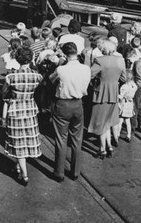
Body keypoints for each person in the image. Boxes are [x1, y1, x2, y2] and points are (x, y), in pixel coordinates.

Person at [49, 43, 91, 182]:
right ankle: (75, 171)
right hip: (78, 104)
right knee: (77, 139)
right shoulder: (86, 69)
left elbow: (50, 79)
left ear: (65, 55)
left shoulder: (61, 69)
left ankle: (59, 172)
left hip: (62, 104)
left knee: (61, 139)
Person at [2, 47, 43, 186]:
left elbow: (4, 94)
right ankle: (19, 166)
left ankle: (24, 175)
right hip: (30, 110)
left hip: (15, 111)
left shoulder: (10, 77)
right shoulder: (37, 76)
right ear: (30, 58)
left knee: (17, 142)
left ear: (17, 59)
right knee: (26, 140)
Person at [88, 39, 126, 158]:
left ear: (102, 49)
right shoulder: (120, 60)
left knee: (101, 122)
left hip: (101, 94)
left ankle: (102, 149)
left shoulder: (99, 61)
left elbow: (90, 74)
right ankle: (108, 145)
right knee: (108, 121)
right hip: (113, 93)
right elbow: (124, 78)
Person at [126, 49, 141, 134]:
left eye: (130, 59)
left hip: (139, 88)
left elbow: (140, 79)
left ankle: (132, 126)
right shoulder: (140, 62)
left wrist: (134, 87)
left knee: (134, 107)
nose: (129, 61)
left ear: (134, 56)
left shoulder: (137, 64)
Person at [118, 70, 137, 142]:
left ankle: (117, 135)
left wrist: (116, 95)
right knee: (128, 121)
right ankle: (129, 135)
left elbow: (121, 96)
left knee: (120, 120)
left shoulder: (124, 86)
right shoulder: (134, 85)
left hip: (124, 103)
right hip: (130, 103)